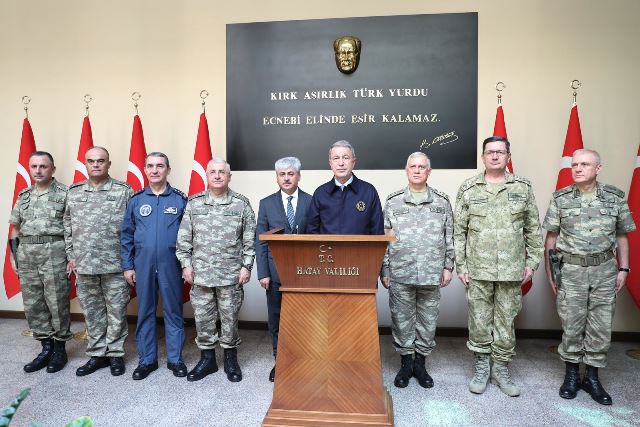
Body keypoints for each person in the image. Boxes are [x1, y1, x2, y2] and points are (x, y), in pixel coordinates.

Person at [543, 149, 635, 405]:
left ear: (598, 169)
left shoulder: (614, 198)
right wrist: (552, 273)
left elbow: (621, 235)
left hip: (605, 270)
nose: (578, 168)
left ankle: (592, 378)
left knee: (601, 325)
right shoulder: (560, 198)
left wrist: (624, 269)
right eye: (574, 165)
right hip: (571, 271)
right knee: (571, 324)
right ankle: (571, 376)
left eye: (584, 164)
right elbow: (551, 238)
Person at [454, 136, 543, 397]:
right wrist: (461, 265)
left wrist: (533, 263)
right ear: (482, 157)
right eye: (490, 152)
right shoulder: (469, 188)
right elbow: (459, 232)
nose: (495, 156)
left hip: (512, 269)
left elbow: (533, 229)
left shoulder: (523, 188)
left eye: (500, 152)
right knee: (479, 321)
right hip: (478, 269)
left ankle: (501, 369)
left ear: (508, 156)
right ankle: (482, 367)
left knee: (506, 321)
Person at [176, 158, 256, 382]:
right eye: (213, 172)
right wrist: (186, 265)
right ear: (207, 176)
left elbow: (249, 240)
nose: (218, 176)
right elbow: (184, 240)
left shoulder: (241, 204)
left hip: (231, 275)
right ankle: (208, 360)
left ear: (229, 177)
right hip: (200, 275)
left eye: (222, 172)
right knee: (203, 319)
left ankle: (231, 359)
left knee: (230, 319)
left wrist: (246, 266)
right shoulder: (194, 204)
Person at [381, 152, 454, 389]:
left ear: (428, 172)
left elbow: (449, 236)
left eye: (421, 167)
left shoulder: (442, 202)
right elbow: (384, 238)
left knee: (427, 320)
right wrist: (385, 268)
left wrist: (448, 266)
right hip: (400, 272)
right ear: (406, 170)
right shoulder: (393, 202)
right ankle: (405, 363)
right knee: (401, 319)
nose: (416, 170)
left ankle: (420, 364)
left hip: (432, 272)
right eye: (412, 166)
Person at [64, 146, 133, 377]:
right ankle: (96, 354)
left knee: (116, 312)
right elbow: (67, 226)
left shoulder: (124, 191)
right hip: (84, 265)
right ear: (85, 164)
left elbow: (131, 229)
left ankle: (115, 354)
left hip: (115, 265)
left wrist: (129, 263)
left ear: (109, 164)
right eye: (91, 161)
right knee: (92, 313)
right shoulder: (73, 192)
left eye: (100, 161)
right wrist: (71, 255)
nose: (96, 164)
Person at [121, 152, 188, 380]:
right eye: (150, 166)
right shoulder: (136, 200)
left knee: (173, 312)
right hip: (143, 265)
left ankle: (175, 359)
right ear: (145, 170)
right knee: (145, 312)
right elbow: (127, 235)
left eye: (160, 166)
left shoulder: (180, 200)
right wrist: (128, 266)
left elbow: (190, 236)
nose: (155, 170)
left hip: (172, 265)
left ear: (168, 170)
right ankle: (147, 360)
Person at [9, 151, 72, 373]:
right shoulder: (24, 195)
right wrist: (13, 257)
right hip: (27, 254)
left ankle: (60, 349)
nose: (38, 170)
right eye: (34, 166)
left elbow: (72, 229)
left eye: (43, 166)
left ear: (52, 169)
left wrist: (71, 258)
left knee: (57, 302)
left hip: (54, 252)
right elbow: (15, 229)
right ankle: (45, 347)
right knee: (33, 303)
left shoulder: (66, 194)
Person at [256, 157, 312, 382]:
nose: (286, 178)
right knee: (277, 317)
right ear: (277, 177)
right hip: (275, 271)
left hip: (305, 272)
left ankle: (304, 359)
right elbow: (260, 241)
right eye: (282, 174)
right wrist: (263, 273)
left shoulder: (311, 201)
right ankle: (280, 360)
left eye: (291, 173)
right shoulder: (266, 203)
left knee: (304, 318)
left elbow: (318, 236)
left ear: (299, 176)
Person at [307, 140, 383, 235]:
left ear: (353, 162)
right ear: (330, 163)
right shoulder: (320, 193)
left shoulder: (368, 191)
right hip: (327, 249)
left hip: (361, 250)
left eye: (346, 158)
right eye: (336, 158)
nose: (341, 163)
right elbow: (312, 231)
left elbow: (377, 231)